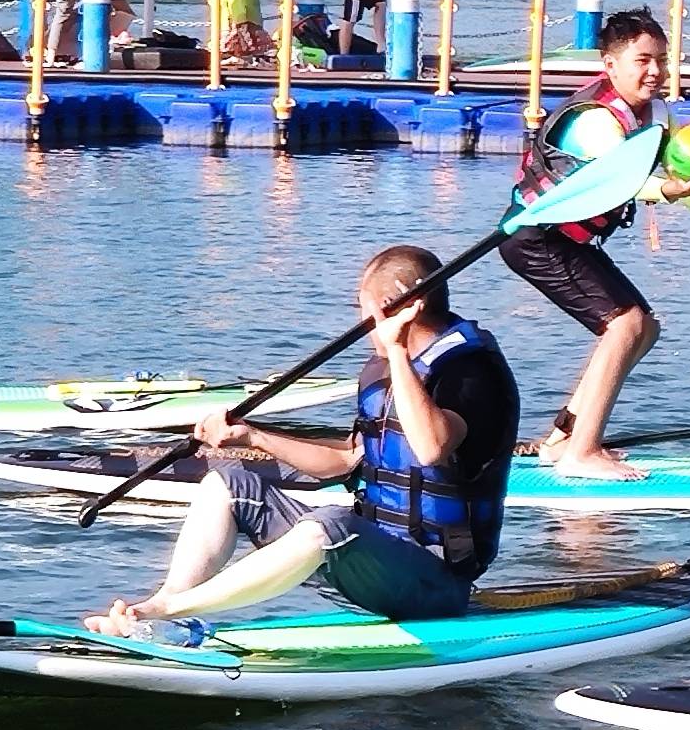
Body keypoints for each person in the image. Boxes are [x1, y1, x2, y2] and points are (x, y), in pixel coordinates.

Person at [87, 245, 523, 632]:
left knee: (331, 522)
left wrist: (395, 351)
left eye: (366, 309)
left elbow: (430, 448)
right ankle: (167, 600)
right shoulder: (381, 370)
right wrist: (253, 436)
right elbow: (347, 462)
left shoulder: (470, 374)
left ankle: (164, 612)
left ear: (405, 309)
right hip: (374, 558)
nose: (361, 323)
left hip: (435, 582)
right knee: (228, 483)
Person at [497, 9, 690, 478]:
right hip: (535, 237)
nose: (655, 71)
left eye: (662, 60)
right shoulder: (596, 120)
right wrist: (679, 194)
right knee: (625, 325)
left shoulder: (658, 113)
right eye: (642, 60)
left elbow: (672, 176)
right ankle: (583, 453)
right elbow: (628, 183)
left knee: (643, 328)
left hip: (572, 243)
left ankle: (562, 439)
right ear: (610, 65)